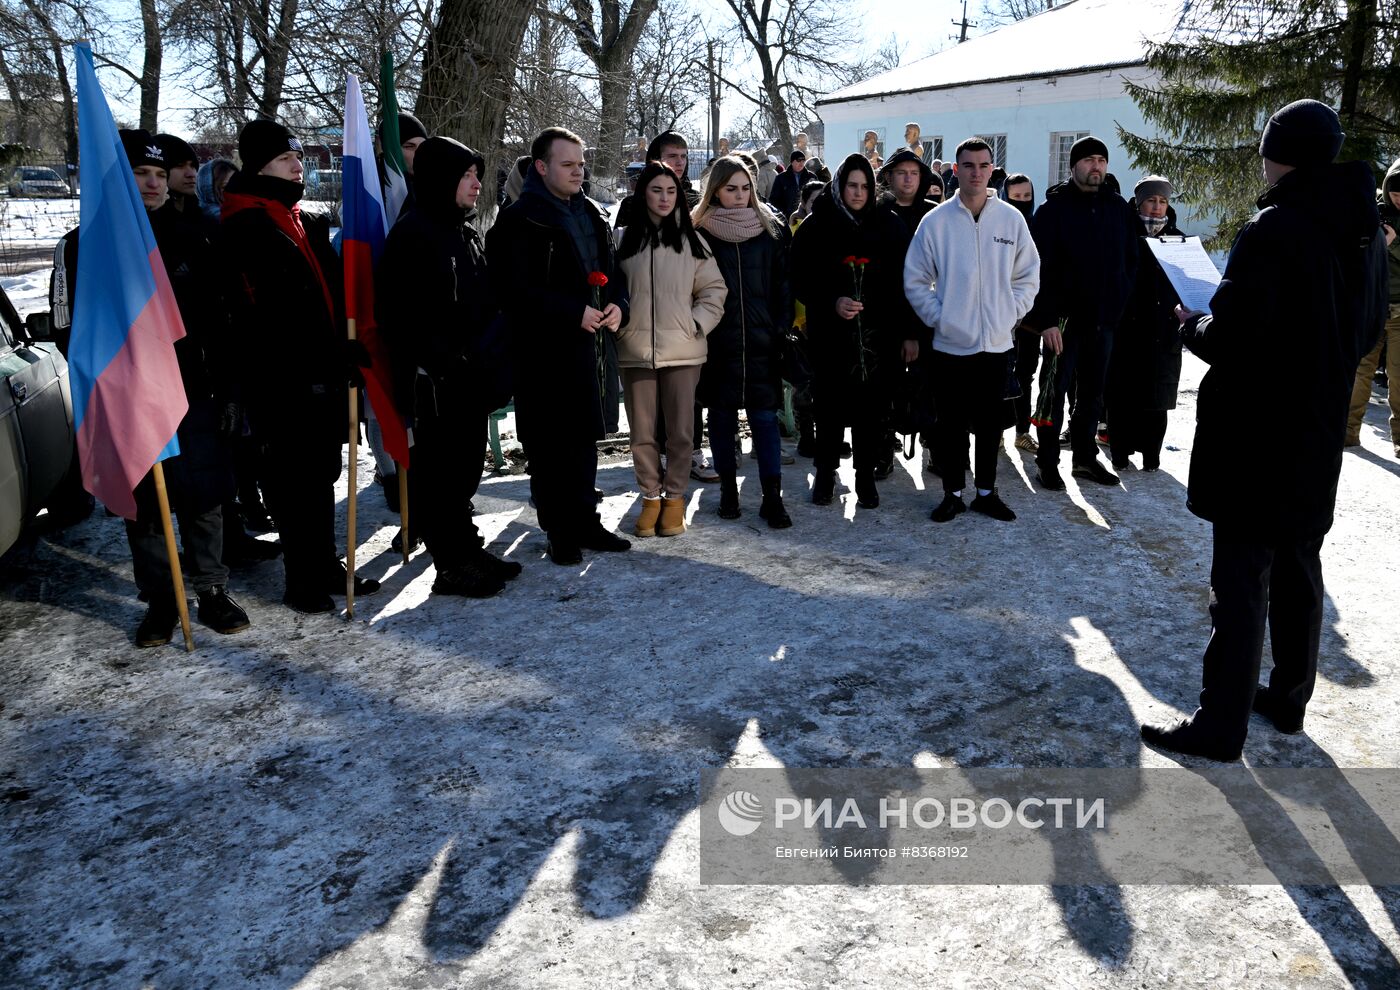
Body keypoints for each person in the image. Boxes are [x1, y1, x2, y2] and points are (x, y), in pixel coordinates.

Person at [1140, 99, 1386, 761]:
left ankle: (1219, 726)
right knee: (1300, 567)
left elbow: (1236, 337)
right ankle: (1288, 696)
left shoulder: (1274, 229)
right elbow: (1365, 331)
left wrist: (1191, 322)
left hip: (1257, 434)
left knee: (1242, 582)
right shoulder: (1364, 227)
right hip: (1316, 429)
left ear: (1283, 153)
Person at [220, 119, 381, 613]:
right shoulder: (242, 225)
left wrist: (347, 346)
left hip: (326, 372)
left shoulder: (304, 220)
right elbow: (254, 315)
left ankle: (325, 562)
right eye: (285, 158)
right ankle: (300, 577)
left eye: (295, 157)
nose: (297, 165)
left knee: (322, 472)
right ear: (260, 165)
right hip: (282, 379)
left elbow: (330, 294)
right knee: (292, 481)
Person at [101, 131, 250, 643]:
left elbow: (226, 320)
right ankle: (162, 599)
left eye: (160, 175)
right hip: (128, 397)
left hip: (194, 389)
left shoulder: (195, 236)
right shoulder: (88, 245)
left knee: (203, 494)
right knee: (145, 503)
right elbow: (75, 330)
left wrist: (230, 388)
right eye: (142, 173)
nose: (154, 183)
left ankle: (211, 588)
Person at [375, 136, 520, 596]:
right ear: (442, 179)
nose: (477, 183)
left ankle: (468, 550)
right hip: (438, 384)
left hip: (472, 379)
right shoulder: (414, 233)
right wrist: (450, 359)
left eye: (477, 174)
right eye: (467, 175)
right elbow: (403, 317)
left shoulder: (463, 229)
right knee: (441, 477)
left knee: (463, 474)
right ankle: (451, 565)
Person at [486, 126, 632, 565]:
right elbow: (511, 290)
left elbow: (612, 270)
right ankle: (559, 530)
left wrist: (618, 305)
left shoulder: (591, 212)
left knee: (585, 440)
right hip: (542, 354)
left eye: (582, 164)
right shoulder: (517, 220)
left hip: (591, 348)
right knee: (549, 446)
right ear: (542, 166)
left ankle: (585, 520)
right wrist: (572, 312)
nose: (578, 172)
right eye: (568, 164)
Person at [904, 138, 1040, 524]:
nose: (975, 172)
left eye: (983, 165)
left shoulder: (1010, 220)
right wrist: (941, 317)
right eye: (968, 165)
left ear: (991, 169)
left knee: (989, 425)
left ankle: (985, 493)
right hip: (950, 345)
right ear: (956, 170)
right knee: (950, 426)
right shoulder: (936, 222)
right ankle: (952, 493)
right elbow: (916, 279)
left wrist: (1009, 312)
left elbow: (1028, 275)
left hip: (996, 344)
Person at [792, 153, 919, 509]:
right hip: (831, 335)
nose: (858, 193)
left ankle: (865, 477)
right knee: (829, 408)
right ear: (840, 186)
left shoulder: (889, 226)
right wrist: (831, 300)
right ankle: (825, 473)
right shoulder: (818, 226)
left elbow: (909, 283)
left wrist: (909, 333)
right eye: (852, 185)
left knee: (871, 410)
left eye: (865, 186)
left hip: (879, 336)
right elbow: (800, 277)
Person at [613, 161, 727, 537]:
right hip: (635, 349)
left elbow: (714, 292)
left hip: (684, 350)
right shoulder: (623, 240)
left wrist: (695, 324)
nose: (664, 198)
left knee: (681, 432)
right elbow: (610, 291)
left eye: (671, 191)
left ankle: (674, 500)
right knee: (642, 433)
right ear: (642, 192)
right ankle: (650, 497)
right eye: (656, 190)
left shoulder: (693, 242)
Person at [1026, 135, 1139, 490]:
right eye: (1088, 160)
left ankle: (1085, 458)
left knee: (1093, 394)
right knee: (1053, 392)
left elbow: (1131, 260)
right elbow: (1034, 270)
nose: (1096, 167)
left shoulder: (1118, 208)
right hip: (1062, 323)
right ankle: (1047, 461)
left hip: (1103, 321)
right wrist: (1045, 320)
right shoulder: (1053, 211)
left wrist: (1119, 301)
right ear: (1073, 166)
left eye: (1101, 161)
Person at [692, 154, 793, 527]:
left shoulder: (769, 229)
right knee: (721, 420)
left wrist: (779, 326)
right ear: (715, 191)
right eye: (731, 188)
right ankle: (728, 493)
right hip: (718, 344)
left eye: (745, 188)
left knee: (765, 419)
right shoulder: (699, 231)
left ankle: (772, 498)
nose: (739, 195)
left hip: (763, 340)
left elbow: (783, 283)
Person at [1105, 175, 1185, 471]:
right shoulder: (1123, 234)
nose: (1156, 207)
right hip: (1126, 329)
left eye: (1162, 201)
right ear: (1139, 202)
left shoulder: (1178, 240)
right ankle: (1120, 453)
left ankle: (1152, 456)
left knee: (1157, 398)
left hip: (1163, 332)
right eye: (1151, 200)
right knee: (1121, 395)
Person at [1345, 156, 1400, 456]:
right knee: (1360, 373)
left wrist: (1394, 243)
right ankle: (1348, 434)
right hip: (1372, 308)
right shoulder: (1373, 211)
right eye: (1394, 192)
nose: (1398, 198)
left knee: (1399, 379)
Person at [1002, 173, 1042, 452]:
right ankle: (994, 432)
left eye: (1026, 197)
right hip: (1000, 318)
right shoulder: (997, 226)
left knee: (1025, 375)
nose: (1022, 203)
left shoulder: (1038, 227)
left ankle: (1022, 431)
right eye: (1016, 198)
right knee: (997, 375)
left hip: (1030, 320)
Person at [615, 132, 698, 228]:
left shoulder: (697, 202)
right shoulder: (632, 205)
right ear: (656, 159)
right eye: (672, 156)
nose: (680, 162)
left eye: (683, 156)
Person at [769, 150, 811, 219]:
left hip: (807, 218)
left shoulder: (811, 177)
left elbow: (817, 198)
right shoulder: (781, 178)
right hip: (788, 218)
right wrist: (783, 214)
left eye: (803, 160)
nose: (801, 163)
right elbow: (774, 200)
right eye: (798, 160)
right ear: (792, 162)